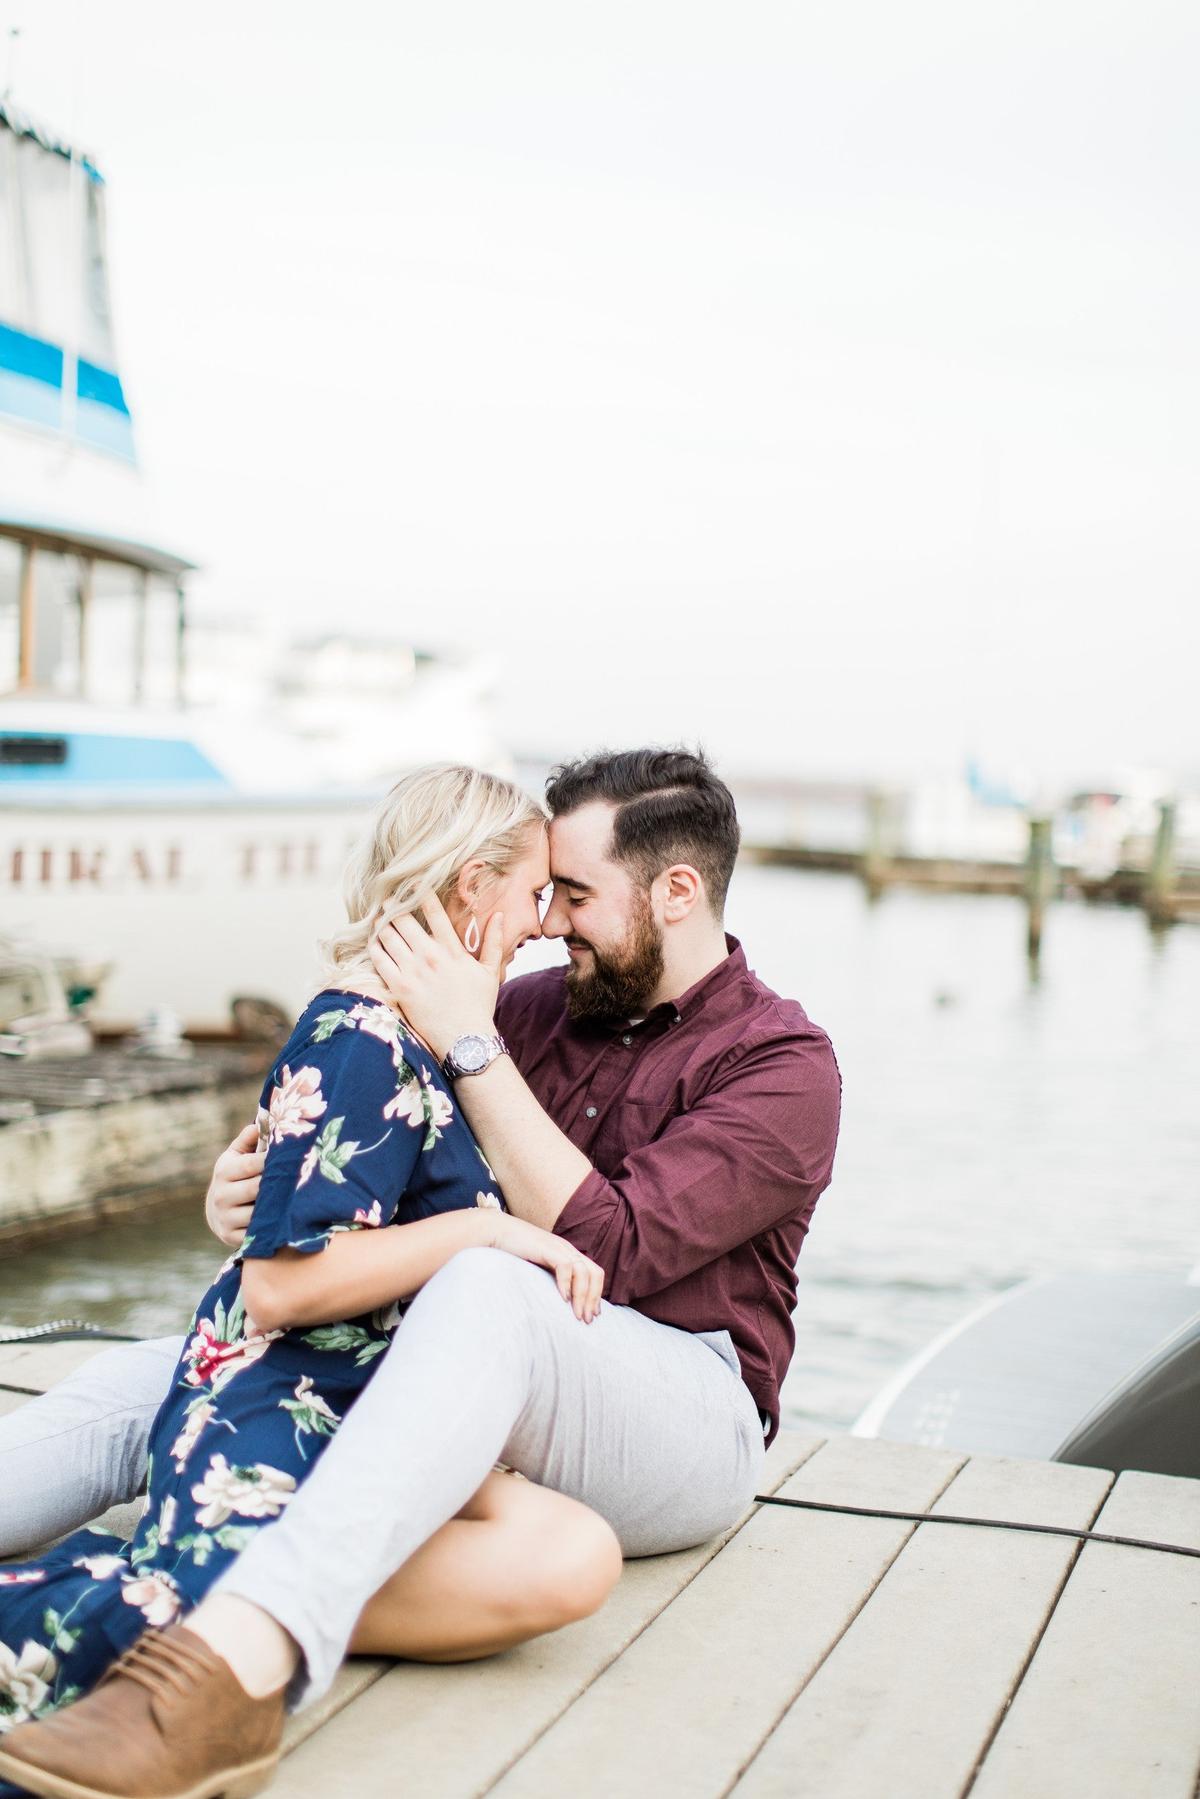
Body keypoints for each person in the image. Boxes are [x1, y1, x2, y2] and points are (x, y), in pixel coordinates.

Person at [0, 747, 841, 1799]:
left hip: (678, 1406)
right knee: (203, 1363)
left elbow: (612, 1252)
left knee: (492, 1282)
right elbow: (374, 1163)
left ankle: (232, 1663)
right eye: (545, 891)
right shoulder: (519, 1006)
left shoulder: (781, 1063)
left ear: (676, 890)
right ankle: (164, 1586)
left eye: (576, 894)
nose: (552, 920)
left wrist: (472, 1047)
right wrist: (249, 1195)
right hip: (466, 1354)